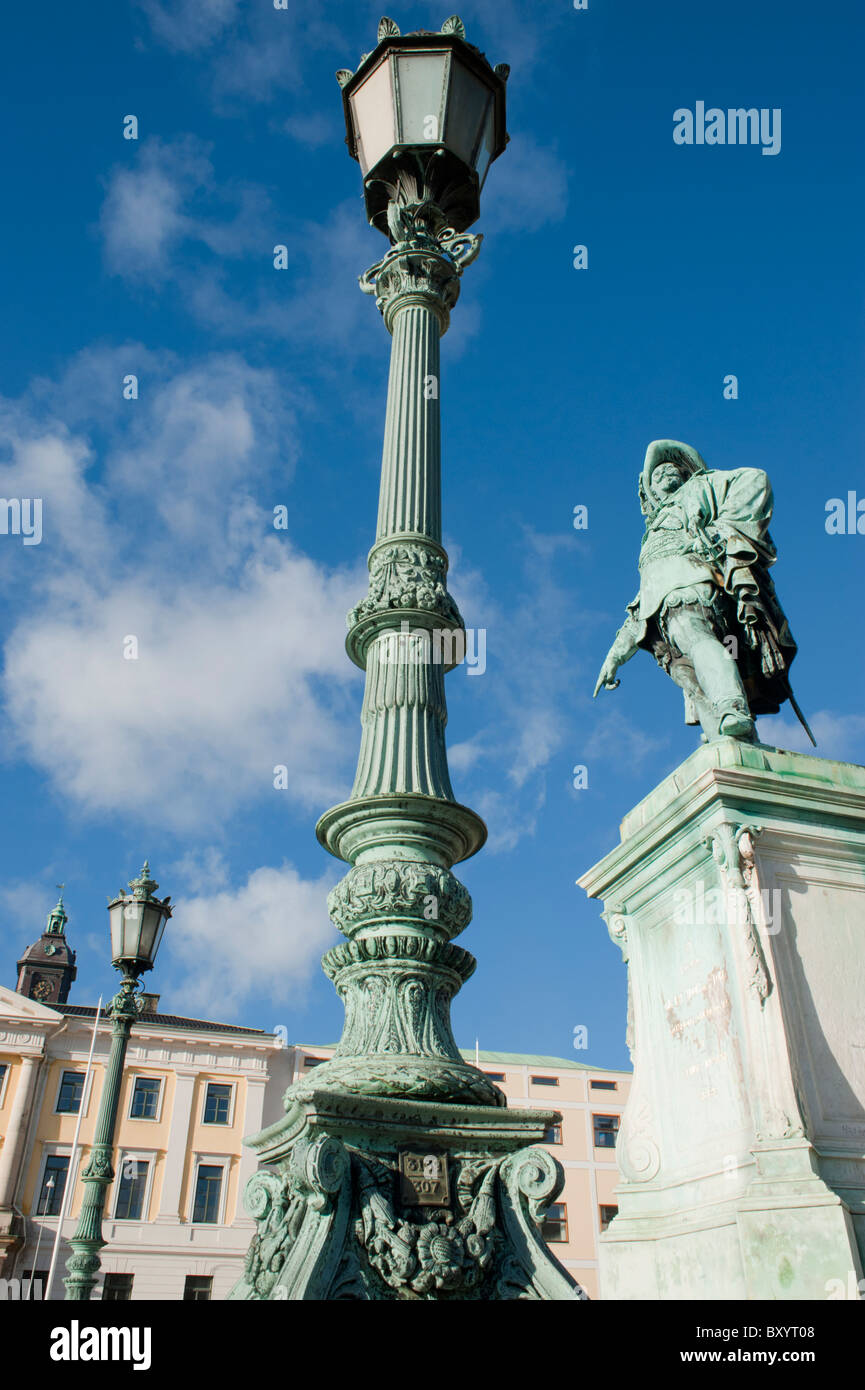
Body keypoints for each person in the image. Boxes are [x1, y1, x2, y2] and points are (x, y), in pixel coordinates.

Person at [593, 440, 798, 742]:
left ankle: (733, 706)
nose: (663, 472)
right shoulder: (650, 536)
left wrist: (724, 531)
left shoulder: (700, 487)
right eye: (656, 473)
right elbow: (642, 602)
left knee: (694, 633)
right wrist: (614, 658)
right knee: (688, 678)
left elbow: (755, 479)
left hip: (693, 589)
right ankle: (730, 738)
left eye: (669, 467)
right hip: (660, 624)